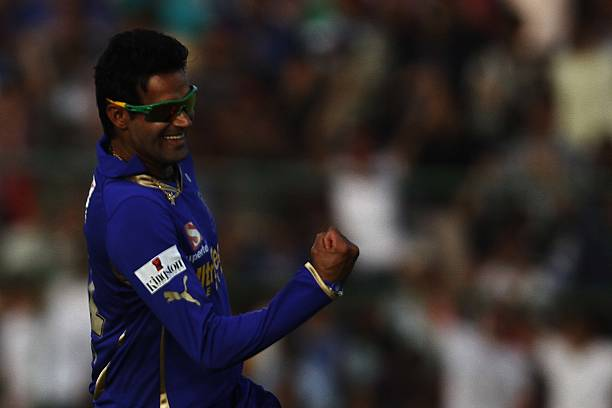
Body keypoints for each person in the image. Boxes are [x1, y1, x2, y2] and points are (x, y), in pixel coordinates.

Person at [84, 29, 359, 407]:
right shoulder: (133, 211)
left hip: (215, 393)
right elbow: (208, 343)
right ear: (119, 115)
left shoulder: (166, 161)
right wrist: (318, 282)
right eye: (164, 112)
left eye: (187, 103)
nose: (184, 121)